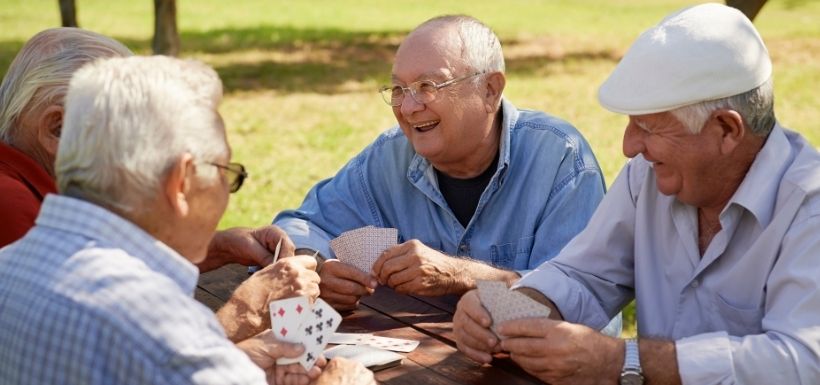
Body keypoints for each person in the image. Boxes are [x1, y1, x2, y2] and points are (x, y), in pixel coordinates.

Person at [453, 4, 820, 385]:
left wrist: (623, 360)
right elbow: (582, 276)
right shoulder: (647, 178)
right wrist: (499, 308)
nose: (629, 147)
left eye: (648, 127)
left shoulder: (809, 207)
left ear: (726, 130)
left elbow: (803, 362)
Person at [0, 56, 374, 385]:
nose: (227, 192)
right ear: (181, 182)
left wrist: (235, 363)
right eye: (226, 172)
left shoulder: (10, 264)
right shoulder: (161, 323)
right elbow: (162, 351)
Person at [273, 15, 609, 315]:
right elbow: (297, 226)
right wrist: (317, 267)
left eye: (427, 87)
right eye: (399, 89)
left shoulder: (561, 161)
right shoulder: (389, 158)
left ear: (490, 90)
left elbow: (575, 308)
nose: (407, 107)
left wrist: (461, 276)